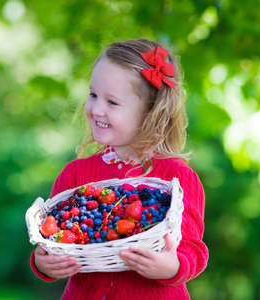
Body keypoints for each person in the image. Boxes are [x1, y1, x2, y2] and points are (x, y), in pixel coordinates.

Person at [30, 38, 208, 300]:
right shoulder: (75, 175)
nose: (96, 109)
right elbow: (53, 234)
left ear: (150, 112)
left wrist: (173, 266)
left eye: (112, 102)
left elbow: (193, 249)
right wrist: (42, 262)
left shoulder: (177, 178)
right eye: (93, 95)